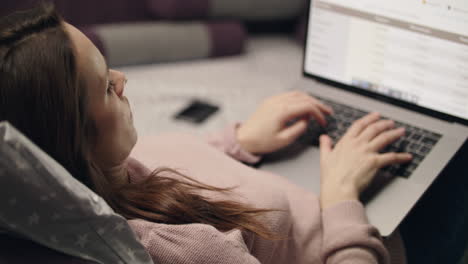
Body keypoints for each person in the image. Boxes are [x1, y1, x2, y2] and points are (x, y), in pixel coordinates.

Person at [1, 4, 434, 264]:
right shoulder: (187, 251)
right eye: (106, 87)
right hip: (359, 235)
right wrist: (342, 196)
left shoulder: (91, 186)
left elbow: (164, 171)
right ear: (71, 142)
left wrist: (239, 142)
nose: (123, 79)